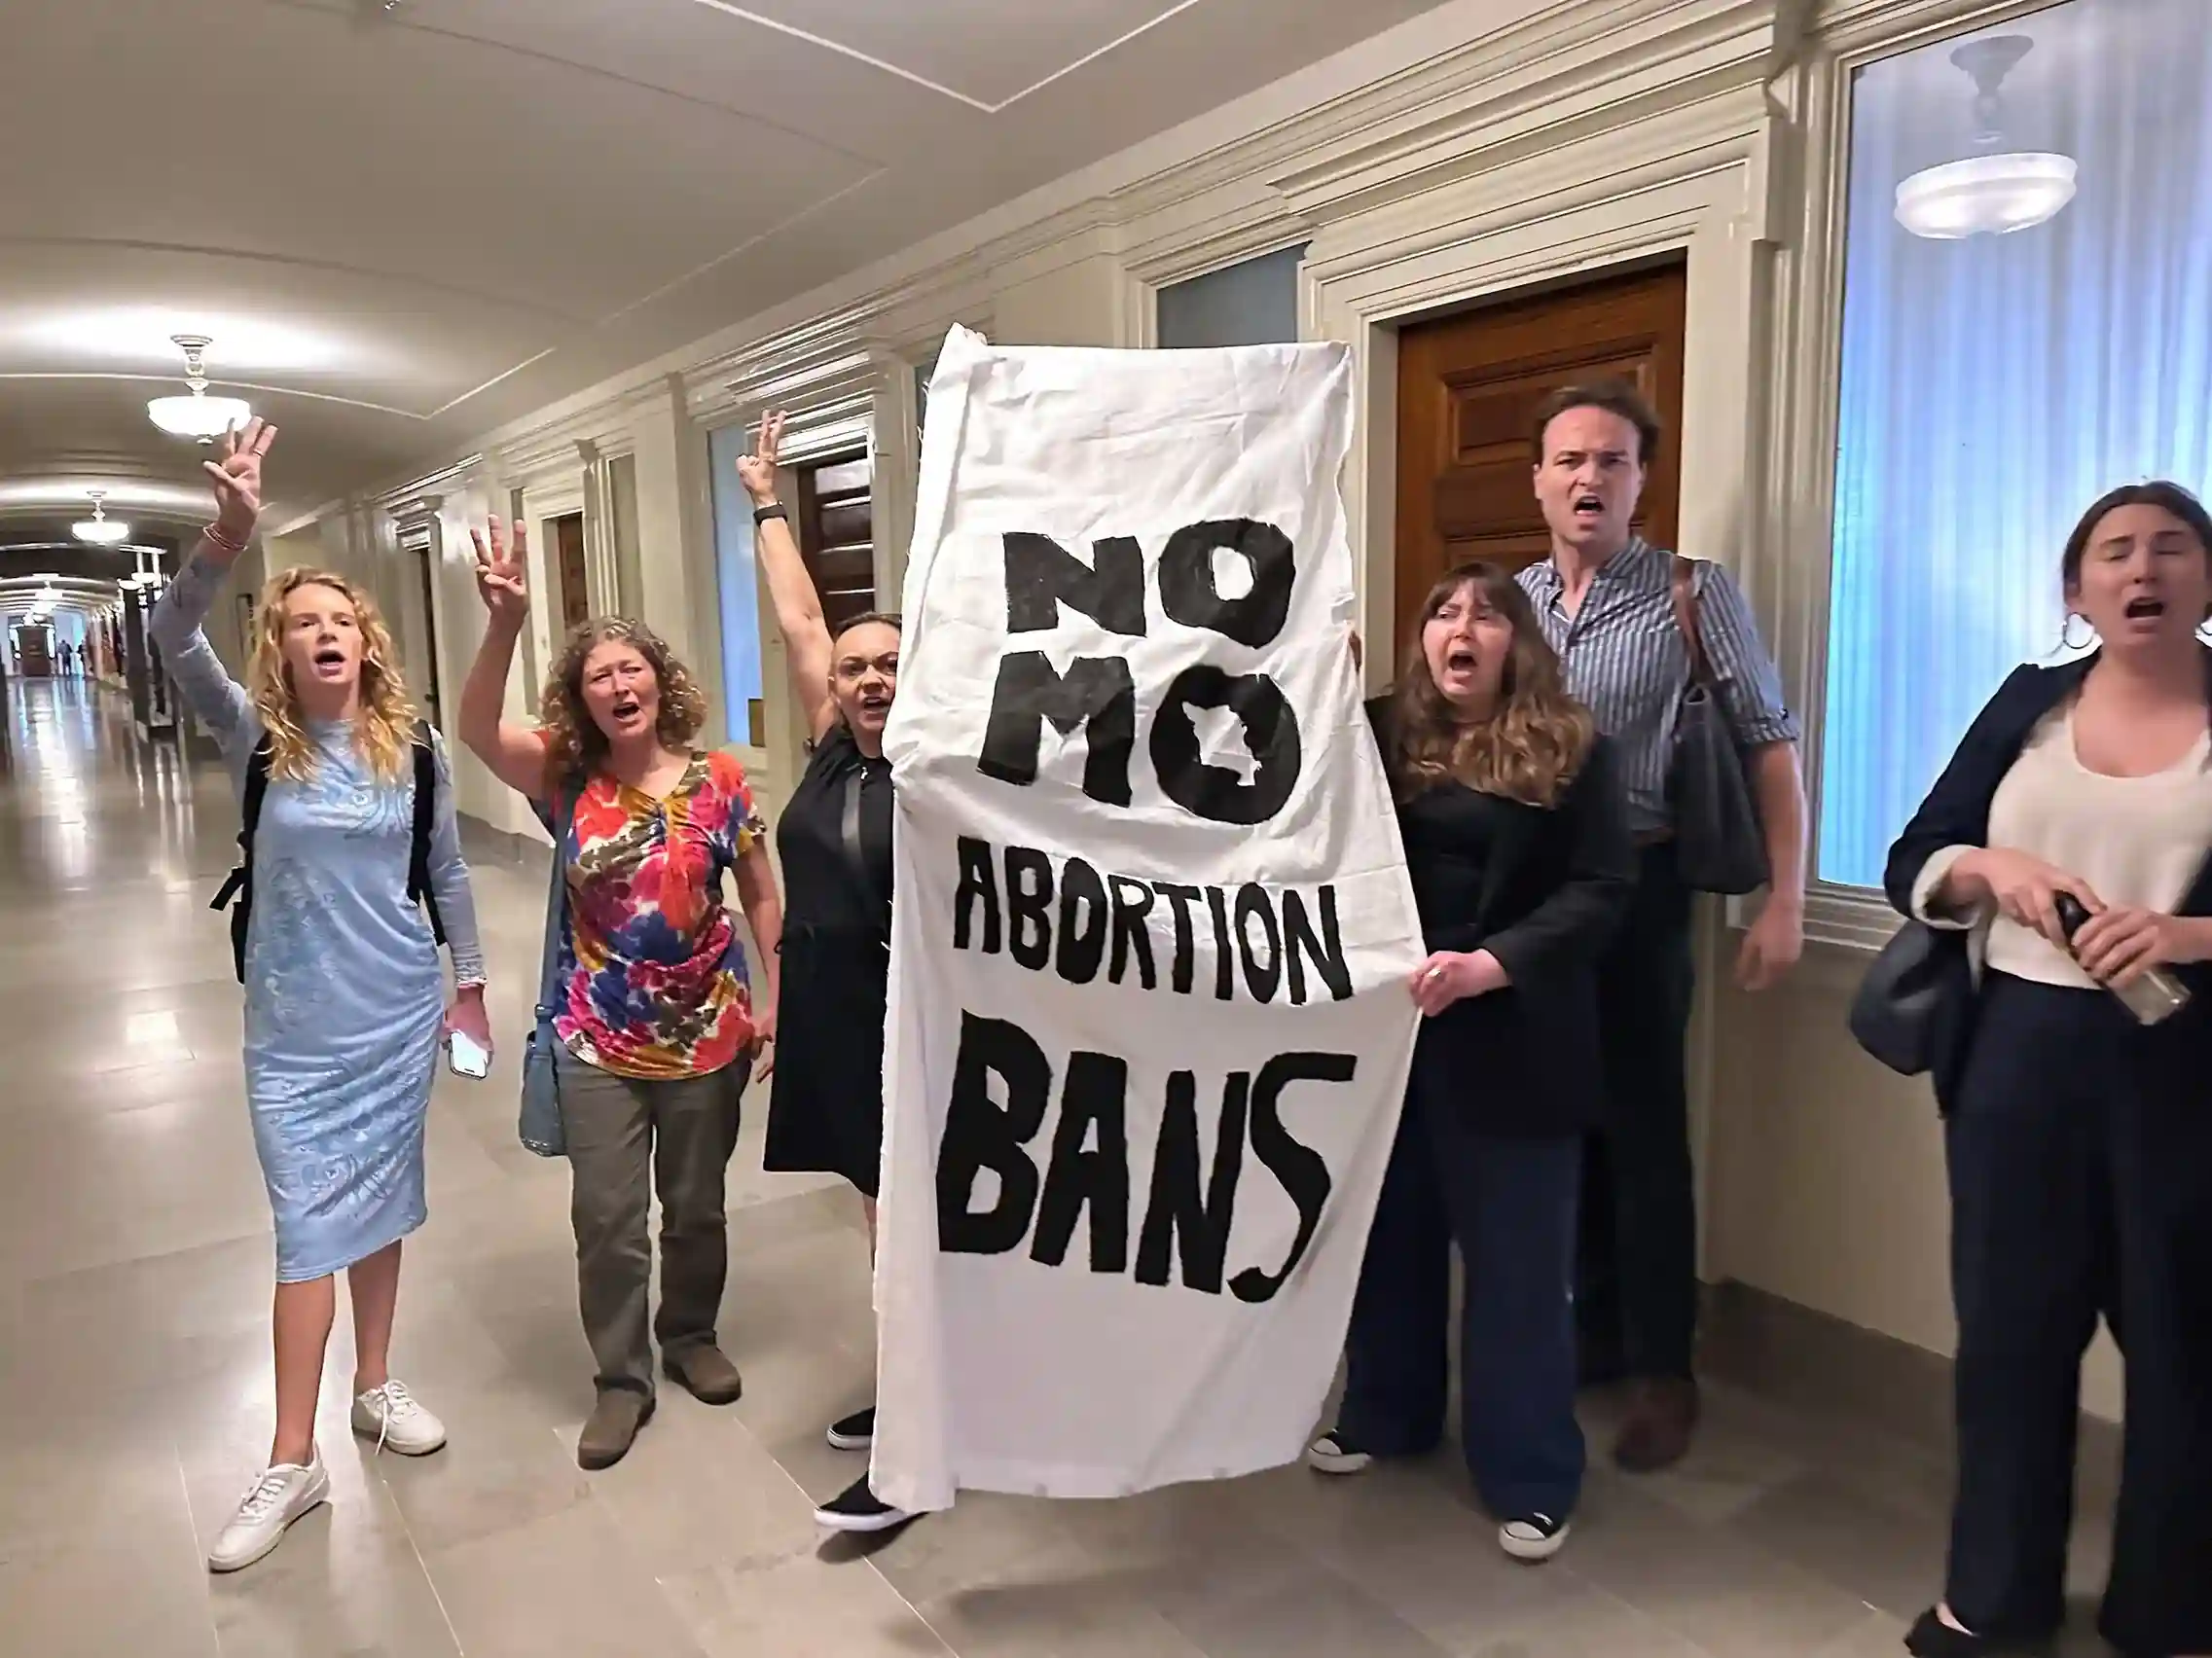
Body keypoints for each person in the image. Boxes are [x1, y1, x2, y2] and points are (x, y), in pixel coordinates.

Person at [149, 419, 490, 1573]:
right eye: (304, 623)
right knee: (306, 1238)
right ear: (281, 651)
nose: (325, 634)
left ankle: (378, 1389)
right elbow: (169, 631)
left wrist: (472, 993)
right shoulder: (256, 738)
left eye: (341, 620)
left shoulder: (416, 750)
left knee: (381, 1212)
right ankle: (290, 1461)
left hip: (394, 1017)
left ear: (368, 642)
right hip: (293, 1036)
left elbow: (444, 875)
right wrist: (225, 535)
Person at [1884, 481, 2212, 1658]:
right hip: (2016, 1052)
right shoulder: (2025, 703)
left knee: (2182, 1348)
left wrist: (2186, 935)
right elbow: (1914, 855)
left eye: (2170, 548)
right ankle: (1991, 1602)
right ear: (2074, 590)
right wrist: (1987, 867)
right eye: (2114, 551)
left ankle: (2172, 1609)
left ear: (2204, 579)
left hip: (2179, 1062)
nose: (2143, 569)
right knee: (2010, 1338)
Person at [1306, 560, 1633, 1560]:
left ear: (1515, 645)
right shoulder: (1371, 731)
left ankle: (1529, 1475)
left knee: (1517, 1274)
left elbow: (1601, 888)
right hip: (1390, 1036)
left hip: (1513, 1037)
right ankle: (1384, 1414)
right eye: (1442, 611)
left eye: (1486, 616)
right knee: (1387, 1241)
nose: (1461, 628)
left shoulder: (1575, 749)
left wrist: (1493, 966)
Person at [1513, 378, 1805, 1471]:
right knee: (1561, 1119)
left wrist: (1780, 897)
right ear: (1537, 479)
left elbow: (1766, 742)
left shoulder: (1690, 592)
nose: (1588, 478)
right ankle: (1585, 1337)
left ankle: (1660, 1371)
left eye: (1611, 461)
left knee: (1640, 1133)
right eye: (1568, 460)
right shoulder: (1511, 598)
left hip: (1640, 895)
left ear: (1640, 479)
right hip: (1536, 901)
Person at [460, 523, 781, 1472]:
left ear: (659, 680)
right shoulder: (565, 780)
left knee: (696, 1208)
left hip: (709, 1033)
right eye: (597, 675)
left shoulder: (721, 780)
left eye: (630, 667)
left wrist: (780, 997)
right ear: (580, 700)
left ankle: (688, 1335)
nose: (617, 685)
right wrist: (506, 622)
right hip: (596, 1039)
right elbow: (478, 729)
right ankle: (620, 1378)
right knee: (605, 1217)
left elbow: (760, 891)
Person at [732, 410, 913, 1533]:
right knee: (877, 1216)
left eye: (892, 663)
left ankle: (916, 1440)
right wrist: (765, 496)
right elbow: (799, 614)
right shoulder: (833, 746)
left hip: (914, 1017)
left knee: (905, 1228)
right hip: (837, 1017)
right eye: (856, 668)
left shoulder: (947, 761)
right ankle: (920, 1391)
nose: (869, 680)